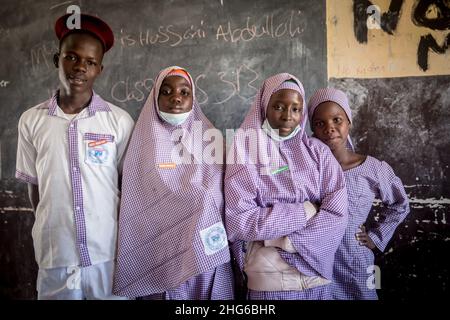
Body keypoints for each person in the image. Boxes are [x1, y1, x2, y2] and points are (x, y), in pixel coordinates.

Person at [15, 13, 134, 299]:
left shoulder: (118, 122)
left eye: (90, 62)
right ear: (57, 59)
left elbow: (126, 185)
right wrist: (51, 225)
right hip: (57, 253)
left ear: (100, 69)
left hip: (106, 252)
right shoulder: (32, 120)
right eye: (72, 57)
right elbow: (35, 187)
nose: (80, 67)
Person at [113, 66, 234, 300]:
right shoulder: (141, 147)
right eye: (166, 91)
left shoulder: (213, 140)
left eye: (184, 92)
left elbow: (225, 196)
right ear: (155, 98)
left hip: (207, 253)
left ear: (193, 98)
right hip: (161, 256)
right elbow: (140, 204)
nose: (175, 97)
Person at [224, 73, 348, 300]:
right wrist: (306, 211)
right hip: (270, 284)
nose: (287, 116)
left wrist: (283, 239)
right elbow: (238, 222)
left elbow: (337, 212)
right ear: (264, 107)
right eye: (278, 107)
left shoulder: (318, 152)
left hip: (318, 280)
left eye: (295, 109)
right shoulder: (245, 153)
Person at [307, 87, 410, 299]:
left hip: (354, 259)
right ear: (312, 130)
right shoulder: (307, 169)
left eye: (337, 120)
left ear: (349, 123)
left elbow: (400, 204)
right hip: (315, 259)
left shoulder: (372, 168)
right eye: (320, 123)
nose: (330, 128)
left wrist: (376, 237)